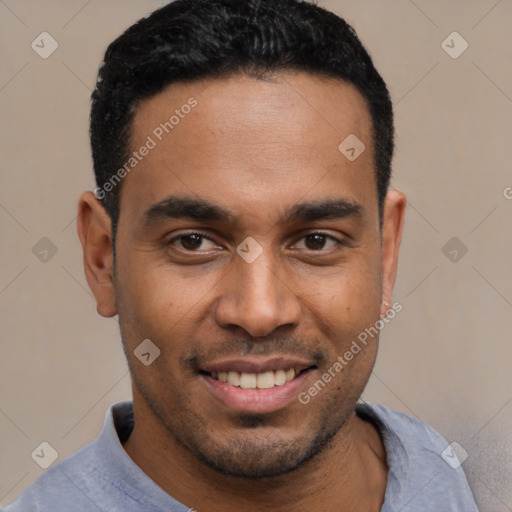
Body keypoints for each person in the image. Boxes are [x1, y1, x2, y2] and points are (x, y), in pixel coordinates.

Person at [5, 0, 480, 510]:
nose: (259, 312)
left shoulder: (466, 476)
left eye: (316, 240)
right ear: (102, 258)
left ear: (386, 253)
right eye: (193, 242)